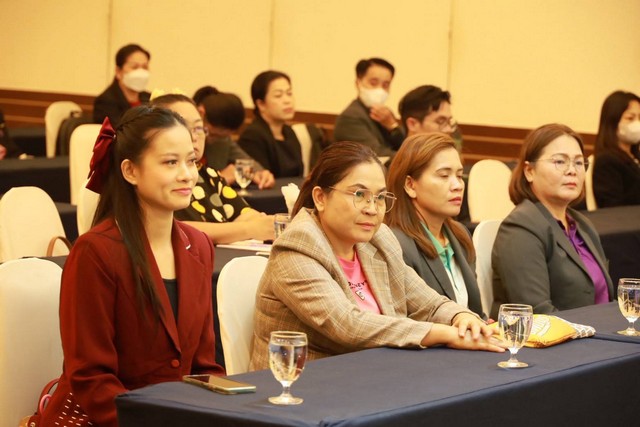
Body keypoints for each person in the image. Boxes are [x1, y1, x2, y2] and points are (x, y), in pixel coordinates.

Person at [40, 106, 224, 427]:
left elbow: (203, 366)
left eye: (191, 160)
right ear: (130, 171)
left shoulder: (199, 246)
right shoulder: (96, 251)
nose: (187, 174)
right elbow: (91, 377)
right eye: (170, 162)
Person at [249, 141, 504, 370]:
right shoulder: (297, 247)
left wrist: (461, 318)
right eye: (360, 195)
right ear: (320, 198)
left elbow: (428, 303)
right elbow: (348, 324)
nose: (372, 209)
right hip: (303, 384)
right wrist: (444, 333)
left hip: (375, 375)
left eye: (380, 197)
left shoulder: (378, 239)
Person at [492, 123, 613, 317]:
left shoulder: (582, 224)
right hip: (558, 335)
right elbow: (538, 312)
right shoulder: (520, 228)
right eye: (560, 161)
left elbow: (606, 298)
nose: (572, 170)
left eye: (579, 163)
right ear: (529, 171)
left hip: (601, 331)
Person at [150, 93, 275, 243]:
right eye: (182, 127)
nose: (194, 137)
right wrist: (248, 229)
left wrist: (262, 223)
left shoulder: (210, 175)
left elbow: (245, 214)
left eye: (198, 128)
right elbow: (174, 229)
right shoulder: (158, 177)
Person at [385, 133, 484, 318]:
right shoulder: (395, 243)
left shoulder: (460, 235)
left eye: (459, 175)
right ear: (410, 185)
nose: (457, 185)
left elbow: (476, 313)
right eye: (444, 175)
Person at [238, 70, 324, 178]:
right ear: (261, 104)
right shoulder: (252, 136)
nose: (287, 100)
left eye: (289, 93)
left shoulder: (289, 132)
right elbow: (260, 179)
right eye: (278, 95)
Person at [196, 87, 275, 188]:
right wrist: (220, 178)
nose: (211, 141)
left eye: (222, 137)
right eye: (212, 134)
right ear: (201, 113)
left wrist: (262, 174)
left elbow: (247, 163)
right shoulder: (181, 140)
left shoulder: (223, 141)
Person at [334, 58, 405, 157]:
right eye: (373, 83)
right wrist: (412, 159)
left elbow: (403, 145)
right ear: (358, 83)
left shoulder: (385, 114)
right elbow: (375, 156)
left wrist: (392, 126)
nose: (380, 89)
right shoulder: (350, 118)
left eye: (385, 85)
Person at [592, 90, 640, 207]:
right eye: (630, 118)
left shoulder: (636, 156)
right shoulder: (606, 161)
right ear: (613, 121)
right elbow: (612, 208)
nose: (637, 123)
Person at [93, 44, 151, 125]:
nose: (141, 72)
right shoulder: (105, 102)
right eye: (134, 67)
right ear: (118, 71)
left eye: (145, 67)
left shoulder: (149, 99)